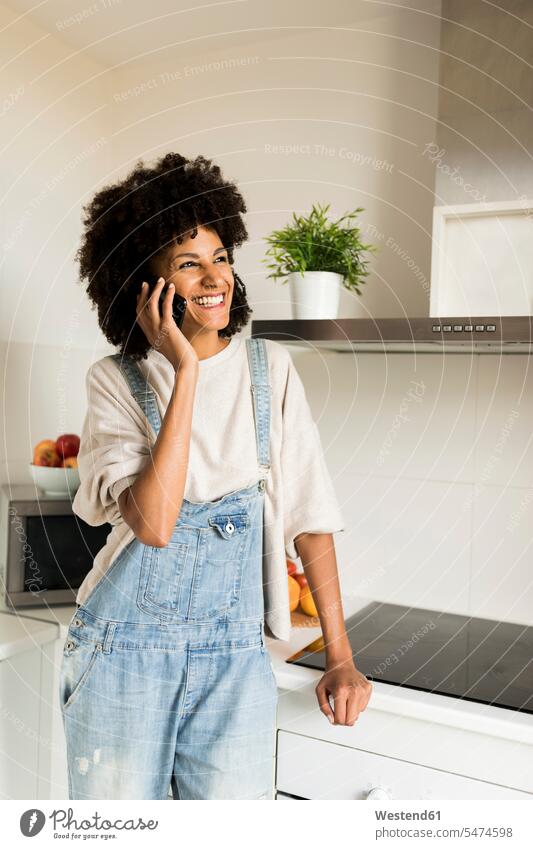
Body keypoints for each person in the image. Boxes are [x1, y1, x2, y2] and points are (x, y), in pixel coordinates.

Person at [59, 151, 372, 800]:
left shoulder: (270, 371)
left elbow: (309, 519)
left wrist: (338, 656)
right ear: (142, 283)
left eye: (221, 256)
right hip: (122, 656)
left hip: (233, 661)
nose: (214, 277)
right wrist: (185, 374)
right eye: (187, 262)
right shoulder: (116, 382)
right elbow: (154, 521)